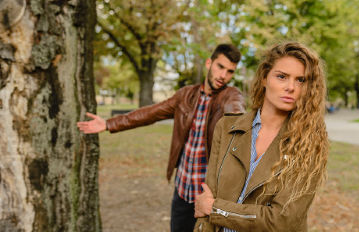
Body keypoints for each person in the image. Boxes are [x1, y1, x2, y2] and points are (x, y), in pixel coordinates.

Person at [77, 44, 245, 232]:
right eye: (220, 67)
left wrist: (238, 123)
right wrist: (109, 124)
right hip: (182, 189)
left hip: (209, 196)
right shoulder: (185, 95)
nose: (223, 75)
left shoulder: (230, 96)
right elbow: (151, 113)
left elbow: (236, 113)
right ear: (209, 63)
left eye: (230, 71)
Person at [194, 41, 329, 232]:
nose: (291, 87)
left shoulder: (310, 143)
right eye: (282, 76)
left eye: (301, 80)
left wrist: (216, 209)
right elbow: (207, 200)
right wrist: (207, 211)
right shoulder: (226, 128)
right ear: (265, 78)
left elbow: (282, 221)